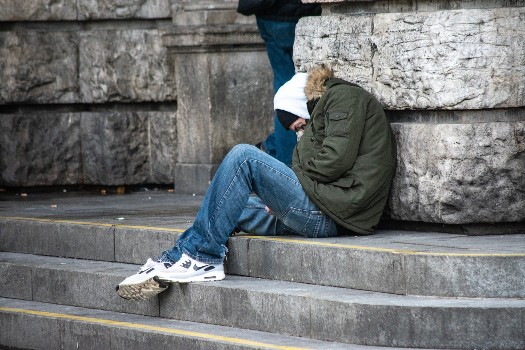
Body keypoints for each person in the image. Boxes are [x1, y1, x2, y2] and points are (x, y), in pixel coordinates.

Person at [116, 64, 397, 300]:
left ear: (301, 106)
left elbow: (334, 160)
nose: (301, 131)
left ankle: (204, 257)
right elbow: (324, 163)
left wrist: (283, 192)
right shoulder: (325, 113)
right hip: (328, 207)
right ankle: (174, 258)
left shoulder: (345, 98)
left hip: (334, 214)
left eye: (299, 126)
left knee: (244, 156)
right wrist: (280, 194)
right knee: (226, 204)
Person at [237, 0, 321, 166]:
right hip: (305, 13)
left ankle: (279, 156)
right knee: (314, 88)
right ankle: (285, 158)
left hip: (270, 15)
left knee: (285, 90)